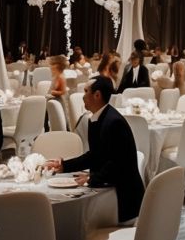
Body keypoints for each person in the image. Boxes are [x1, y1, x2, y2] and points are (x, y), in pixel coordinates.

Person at [45, 75, 144, 223]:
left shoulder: (114, 122)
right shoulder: (97, 118)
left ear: (97, 95)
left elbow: (119, 164)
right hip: (110, 189)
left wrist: (92, 178)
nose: (83, 96)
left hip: (123, 200)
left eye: (86, 91)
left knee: (77, 219)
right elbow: (95, 156)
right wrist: (64, 166)